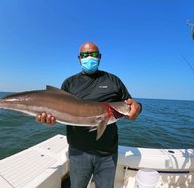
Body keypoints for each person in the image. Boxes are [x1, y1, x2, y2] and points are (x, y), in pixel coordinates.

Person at [36, 42, 142, 188]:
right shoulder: (69, 83)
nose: (89, 57)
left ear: (99, 57)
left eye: (93, 54)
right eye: (85, 55)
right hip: (77, 152)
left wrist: (138, 108)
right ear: (79, 58)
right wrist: (48, 120)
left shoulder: (113, 81)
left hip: (108, 153)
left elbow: (131, 103)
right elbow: (58, 110)